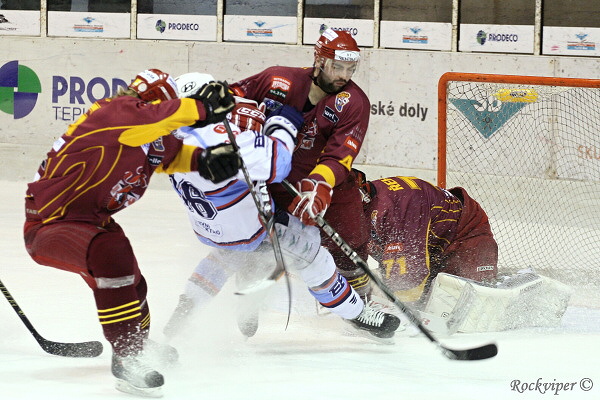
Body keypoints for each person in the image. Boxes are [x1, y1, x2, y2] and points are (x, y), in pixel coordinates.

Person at [23, 68, 236, 397]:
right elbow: (158, 118)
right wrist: (201, 107)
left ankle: (138, 344)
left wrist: (205, 160)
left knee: (134, 283)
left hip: (89, 221)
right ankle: (127, 356)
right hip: (50, 224)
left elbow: (168, 154)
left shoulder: (142, 132)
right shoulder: (115, 113)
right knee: (110, 249)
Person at [162, 72, 401, 343]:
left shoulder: (165, 135)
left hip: (211, 226)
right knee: (314, 258)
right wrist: (283, 122)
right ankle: (357, 314)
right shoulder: (224, 141)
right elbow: (277, 164)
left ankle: (184, 311)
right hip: (253, 227)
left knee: (223, 258)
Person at [229, 28, 374, 300]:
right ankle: (248, 304)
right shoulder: (278, 80)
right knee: (258, 247)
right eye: (337, 67)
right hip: (271, 185)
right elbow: (230, 97)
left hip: (325, 189)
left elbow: (339, 155)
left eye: (350, 69)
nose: (344, 76)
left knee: (349, 243)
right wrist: (237, 114)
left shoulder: (354, 102)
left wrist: (318, 185)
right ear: (319, 60)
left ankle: (361, 307)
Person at [354, 169, 572, 334]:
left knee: (475, 305)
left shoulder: (395, 205)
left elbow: (407, 270)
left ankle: (526, 285)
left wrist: (399, 308)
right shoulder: (360, 208)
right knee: (433, 301)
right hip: (433, 247)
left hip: (466, 235)